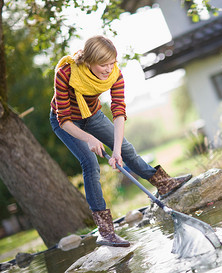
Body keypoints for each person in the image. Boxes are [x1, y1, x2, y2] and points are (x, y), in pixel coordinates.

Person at [50, 35, 192, 247]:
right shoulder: (66, 74)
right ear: (89, 62)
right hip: (67, 120)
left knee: (126, 149)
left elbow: (118, 113)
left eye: (111, 63)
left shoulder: (115, 74)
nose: (108, 69)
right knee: (90, 164)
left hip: (93, 115)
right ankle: (106, 231)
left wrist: (116, 152)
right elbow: (64, 120)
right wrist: (89, 138)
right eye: (103, 65)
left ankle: (163, 184)